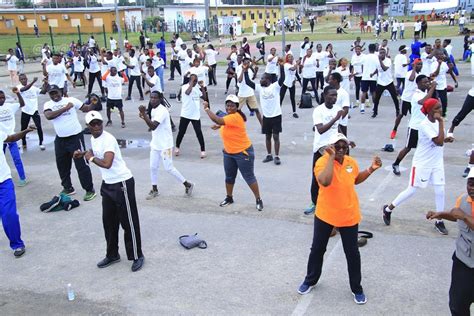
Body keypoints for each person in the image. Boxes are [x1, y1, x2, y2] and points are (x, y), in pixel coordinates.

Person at [297, 132, 382, 306]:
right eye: (338, 146)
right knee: (317, 249)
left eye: (344, 146)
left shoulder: (351, 163)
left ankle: (356, 289)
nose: (342, 149)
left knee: (352, 254)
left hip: (349, 215)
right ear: (331, 147)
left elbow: (355, 179)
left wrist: (371, 169)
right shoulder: (321, 163)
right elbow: (325, 181)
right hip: (325, 215)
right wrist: (331, 158)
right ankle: (310, 280)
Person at [73, 111, 144, 272]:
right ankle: (112, 254)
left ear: (102, 123)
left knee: (129, 223)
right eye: (93, 124)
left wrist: (89, 157)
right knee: (109, 222)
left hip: (122, 183)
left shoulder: (109, 139)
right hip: (107, 185)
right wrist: (83, 154)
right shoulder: (93, 138)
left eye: (99, 123)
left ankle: (137, 255)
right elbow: (95, 153)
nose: (97, 126)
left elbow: (107, 163)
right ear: (88, 127)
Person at [382, 98, 451, 235]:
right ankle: (388, 209)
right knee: (412, 190)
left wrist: (446, 137)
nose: (440, 110)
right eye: (437, 108)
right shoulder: (424, 124)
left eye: (440, 107)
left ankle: (439, 220)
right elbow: (438, 142)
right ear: (430, 111)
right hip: (422, 163)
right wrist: (442, 123)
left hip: (436, 162)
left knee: (440, 190)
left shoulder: (438, 122)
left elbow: (441, 138)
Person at [202, 94, 263, 211]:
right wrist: (219, 126)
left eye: (232, 105)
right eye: (227, 105)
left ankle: (258, 199)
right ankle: (229, 197)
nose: (229, 107)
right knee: (229, 177)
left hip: (243, 152)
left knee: (249, 177)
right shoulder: (229, 117)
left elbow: (217, 119)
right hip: (228, 152)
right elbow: (223, 123)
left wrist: (206, 108)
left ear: (237, 107)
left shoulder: (235, 117)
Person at [426, 169, 474, 315]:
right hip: (463, 260)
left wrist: (465, 216)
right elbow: (456, 215)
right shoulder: (464, 199)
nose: (472, 188)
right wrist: (440, 214)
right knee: (457, 303)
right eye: (470, 183)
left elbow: (462, 216)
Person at [42, 84, 97, 200]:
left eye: (56, 92)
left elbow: (86, 108)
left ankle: (89, 190)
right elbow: (49, 116)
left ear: (61, 92)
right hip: (60, 139)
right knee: (62, 165)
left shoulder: (71, 100)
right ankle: (68, 188)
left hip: (75, 138)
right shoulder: (48, 104)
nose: (54, 96)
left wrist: (93, 103)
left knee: (81, 164)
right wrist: (66, 108)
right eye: (51, 94)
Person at [138, 91, 194, 199]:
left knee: (169, 168)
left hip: (165, 144)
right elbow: (152, 124)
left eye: (155, 98)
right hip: (155, 143)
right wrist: (144, 116)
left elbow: (154, 126)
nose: (152, 100)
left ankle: (188, 184)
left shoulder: (162, 111)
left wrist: (144, 115)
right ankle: (154, 189)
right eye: (151, 98)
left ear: (160, 99)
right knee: (153, 167)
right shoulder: (154, 109)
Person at [305, 86, 344, 215]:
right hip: (321, 146)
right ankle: (314, 202)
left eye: (336, 96)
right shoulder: (318, 111)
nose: (334, 98)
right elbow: (320, 130)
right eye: (331, 95)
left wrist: (345, 139)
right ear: (324, 95)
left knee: (338, 174)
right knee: (317, 177)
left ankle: (335, 201)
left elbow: (337, 129)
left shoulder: (337, 110)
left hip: (334, 144)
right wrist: (335, 119)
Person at [0, 125, 37, 258]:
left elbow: (11, 138)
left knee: (9, 215)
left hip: (4, 181)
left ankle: (17, 244)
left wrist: (25, 131)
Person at [392, 74, 437, 176]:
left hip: (425, 126)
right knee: (408, 147)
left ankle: (426, 167)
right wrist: (432, 88)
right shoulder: (417, 94)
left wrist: (432, 88)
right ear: (418, 84)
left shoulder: (425, 92)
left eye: (427, 82)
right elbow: (423, 102)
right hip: (415, 126)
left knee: (427, 147)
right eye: (424, 82)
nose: (427, 84)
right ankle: (396, 164)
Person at [245, 58, 285, 165]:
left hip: (276, 115)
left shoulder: (275, 87)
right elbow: (248, 82)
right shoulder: (260, 88)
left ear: (267, 80)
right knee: (268, 136)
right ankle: (269, 155)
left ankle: (277, 156)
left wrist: (281, 66)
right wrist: (245, 71)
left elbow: (282, 79)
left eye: (262, 78)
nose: (260, 80)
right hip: (266, 117)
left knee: (276, 136)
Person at [175, 74, 207, 158]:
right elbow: (187, 93)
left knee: (199, 133)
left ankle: (203, 150)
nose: (195, 82)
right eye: (193, 80)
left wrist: (202, 87)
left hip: (195, 115)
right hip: (185, 114)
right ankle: (177, 147)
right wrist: (192, 84)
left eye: (196, 80)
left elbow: (204, 97)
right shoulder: (184, 87)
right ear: (190, 80)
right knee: (181, 132)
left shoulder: (197, 88)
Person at [390, 58, 423, 140]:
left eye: (421, 64)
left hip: (415, 100)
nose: (420, 66)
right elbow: (412, 79)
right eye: (418, 64)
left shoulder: (422, 75)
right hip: (406, 98)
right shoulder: (409, 73)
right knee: (401, 115)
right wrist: (414, 68)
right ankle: (394, 129)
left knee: (415, 116)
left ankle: (414, 131)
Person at [0, 88, 27, 186]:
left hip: (12, 137)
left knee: (17, 159)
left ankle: (22, 178)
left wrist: (18, 93)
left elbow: (22, 104)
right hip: (1, 139)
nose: (1, 100)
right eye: (0, 98)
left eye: (3, 98)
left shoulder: (10, 106)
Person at [17, 74, 45, 150]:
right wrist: (33, 81)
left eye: (24, 79)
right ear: (20, 80)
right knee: (23, 128)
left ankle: (41, 143)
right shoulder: (19, 87)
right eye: (22, 79)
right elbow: (24, 89)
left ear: (27, 79)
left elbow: (43, 92)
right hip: (25, 111)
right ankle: (24, 143)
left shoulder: (33, 88)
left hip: (34, 110)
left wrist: (46, 84)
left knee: (39, 127)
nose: (23, 80)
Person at [370, 47, 400, 119]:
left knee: (394, 98)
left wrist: (380, 60)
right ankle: (375, 112)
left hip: (389, 81)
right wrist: (373, 74)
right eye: (380, 53)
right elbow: (378, 69)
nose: (382, 54)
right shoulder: (377, 61)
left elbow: (384, 68)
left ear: (385, 54)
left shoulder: (388, 60)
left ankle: (397, 111)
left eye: (383, 53)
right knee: (377, 98)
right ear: (379, 53)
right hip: (380, 82)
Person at [236, 57, 263, 125]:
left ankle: (263, 126)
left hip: (250, 93)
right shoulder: (239, 69)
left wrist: (256, 71)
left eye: (249, 62)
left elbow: (253, 78)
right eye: (246, 62)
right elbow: (239, 80)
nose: (248, 64)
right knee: (236, 110)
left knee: (256, 110)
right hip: (242, 94)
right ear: (243, 63)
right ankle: (241, 118)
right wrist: (243, 70)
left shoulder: (250, 70)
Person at [430, 49, 451, 117]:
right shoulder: (433, 64)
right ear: (436, 56)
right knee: (434, 100)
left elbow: (447, 72)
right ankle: (433, 113)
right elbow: (435, 74)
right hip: (435, 85)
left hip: (443, 85)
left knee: (444, 101)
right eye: (440, 54)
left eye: (442, 54)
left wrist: (451, 68)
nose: (441, 56)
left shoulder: (444, 64)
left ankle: (443, 113)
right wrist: (439, 65)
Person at [360, 44, 378, 114]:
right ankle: (374, 107)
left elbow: (362, 65)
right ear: (374, 49)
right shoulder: (376, 57)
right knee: (373, 92)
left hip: (365, 77)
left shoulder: (365, 57)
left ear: (368, 49)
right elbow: (378, 67)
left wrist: (363, 72)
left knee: (364, 92)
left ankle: (362, 107)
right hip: (373, 77)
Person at [280, 54, 300, 118]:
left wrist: (296, 80)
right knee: (281, 98)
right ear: (287, 59)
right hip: (285, 83)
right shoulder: (286, 65)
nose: (290, 58)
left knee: (292, 98)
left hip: (292, 83)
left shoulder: (293, 64)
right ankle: (278, 112)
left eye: (291, 57)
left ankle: (294, 112)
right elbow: (293, 69)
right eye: (289, 57)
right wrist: (297, 64)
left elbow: (295, 73)